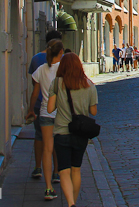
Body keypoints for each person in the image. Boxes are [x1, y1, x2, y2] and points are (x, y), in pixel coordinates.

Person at [48, 53, 98, 207]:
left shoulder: (57, 83)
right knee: (76, 170)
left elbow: (50, 109)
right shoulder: (89, 84)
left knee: (64, 171)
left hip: (61, 133)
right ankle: (73, 202)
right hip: (80, 134)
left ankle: (70, 203)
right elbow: (93, 111)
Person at [28, 39, 64, 200]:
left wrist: (30, 110)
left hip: (45, 113)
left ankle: (48, 188)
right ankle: (59, 174)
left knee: (47, 149)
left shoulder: (41, 69)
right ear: (61, 53)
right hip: (61, 114)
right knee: (60, 147)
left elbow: (35, 93)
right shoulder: (63, 69)